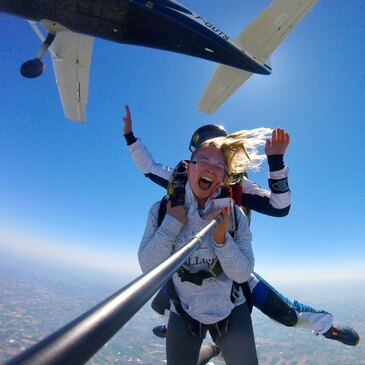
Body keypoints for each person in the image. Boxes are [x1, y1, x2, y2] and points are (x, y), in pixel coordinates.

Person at [122, 105, 360, 349]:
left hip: (229, 264)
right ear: (194, 160)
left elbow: (280, 207)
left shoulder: (236, 184)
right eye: (204, 156)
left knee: (286, 313)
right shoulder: (184, 180)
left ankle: (326, 327)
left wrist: (276, 162)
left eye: (218, 157)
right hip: (190, 270)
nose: (210, 166)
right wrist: (130, 137)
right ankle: (174, 324)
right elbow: (149, 167)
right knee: (161, 305)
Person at [139, 138, 258, 365]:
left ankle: (215, 346)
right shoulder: (163, 210)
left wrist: (221, 239)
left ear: (223, 177)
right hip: (185, 310)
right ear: (190, 167)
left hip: (230, 309)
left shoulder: (234, 216)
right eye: (202, 160)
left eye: (219, 166)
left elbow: (242, 274)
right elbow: (148, 268)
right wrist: (171, 224)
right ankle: (215, 348)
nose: (210, 168)